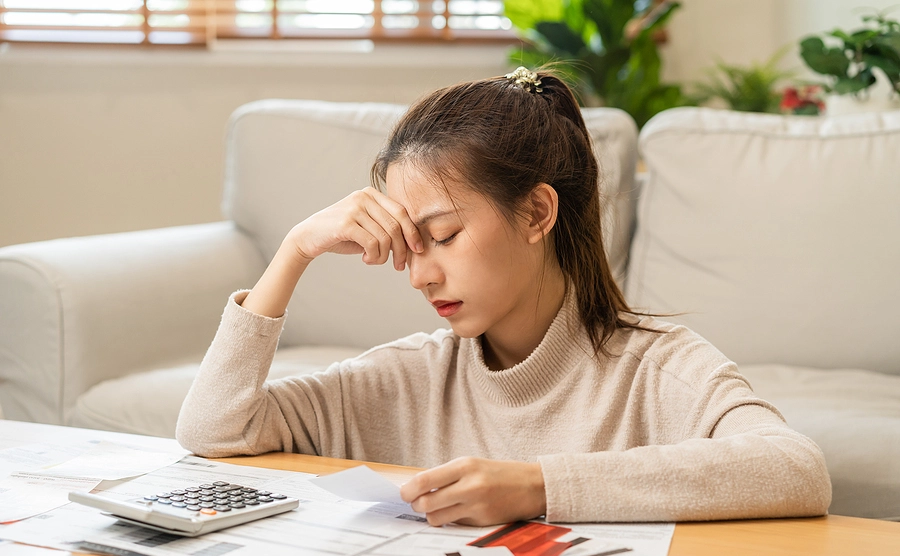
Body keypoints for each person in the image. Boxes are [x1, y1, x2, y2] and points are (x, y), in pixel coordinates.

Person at [176, 68, 831, 526]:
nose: (420, 276)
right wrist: (294, 251)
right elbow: (215, 430)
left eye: (444, 236)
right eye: (411, 246)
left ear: (536, 214)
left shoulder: (653, 370)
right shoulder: (411, 377)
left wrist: (539, 486)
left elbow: (795, 470)